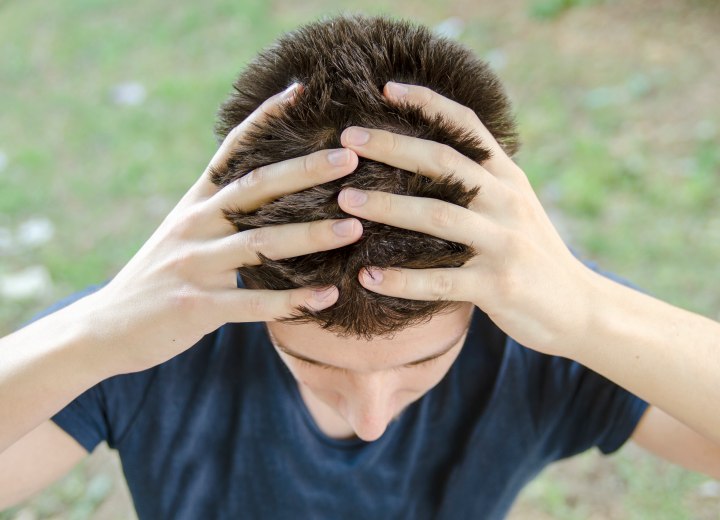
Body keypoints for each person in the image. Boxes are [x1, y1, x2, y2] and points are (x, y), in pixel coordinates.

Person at [0, 15, 718, 519]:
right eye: (317, 365)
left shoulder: (538, 326)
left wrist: (594, 315)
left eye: (422, 364)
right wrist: (94, 330)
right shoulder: (164, 331)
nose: (371, 421)